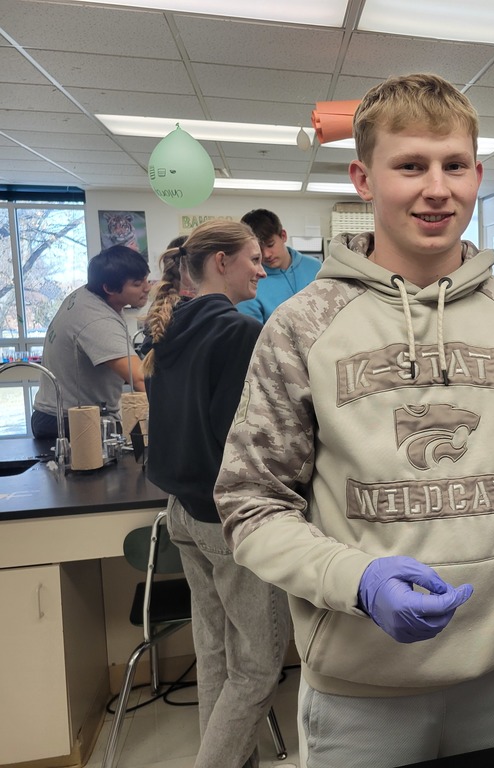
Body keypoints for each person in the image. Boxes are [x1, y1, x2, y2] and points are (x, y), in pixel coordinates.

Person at [214, 72, 494, 768]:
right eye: (410, 166)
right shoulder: (302, 325)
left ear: (477, 173)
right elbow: (250, 504)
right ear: (365, 178)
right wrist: (355, 581)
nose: (436, 187)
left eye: (454, 165)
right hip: (362, 689)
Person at [142, 220, 290, 768]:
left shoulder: (169, 328)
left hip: (182, 513)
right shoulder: (237, 334)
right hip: (227, 520)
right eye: (253, 258)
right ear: (221, 262)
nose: (262, 267)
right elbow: (245, 439)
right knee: (255, 670)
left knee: (216, 659)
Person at [31, 244, 150, 438]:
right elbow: (139, 378)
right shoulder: (98, 319)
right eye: (137, 284)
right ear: (109, 288)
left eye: (146, 279)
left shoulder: (86, 294)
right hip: (69, 421)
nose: (147, 288)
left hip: (57, 414)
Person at [235, 208, 321, 322]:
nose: (266, 255)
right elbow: (253, 335)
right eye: (259, 249)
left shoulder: (317, 268)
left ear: (283, 236)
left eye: (270, 244)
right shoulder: (249, 284)